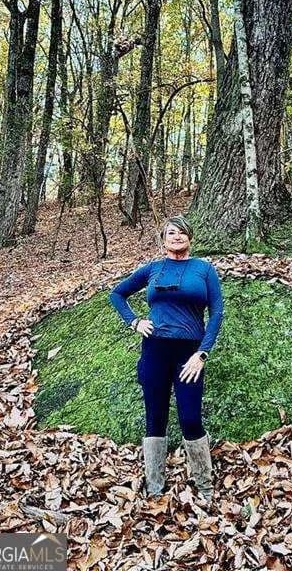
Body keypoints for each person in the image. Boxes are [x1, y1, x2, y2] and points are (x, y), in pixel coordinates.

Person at [109, 215, 224, 505]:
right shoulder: (153, 269)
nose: (177, 236)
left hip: (190, 354)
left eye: (182, 232)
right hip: (155, 351)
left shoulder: (204, 269)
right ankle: (155, 488)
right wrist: (134, 322)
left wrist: (202, 353)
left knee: (190, 418)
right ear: (163, 240)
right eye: (171, 232)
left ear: (190, 237)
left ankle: (205, 487)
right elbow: (117, 294)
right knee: (155, 418)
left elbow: (217, 313)